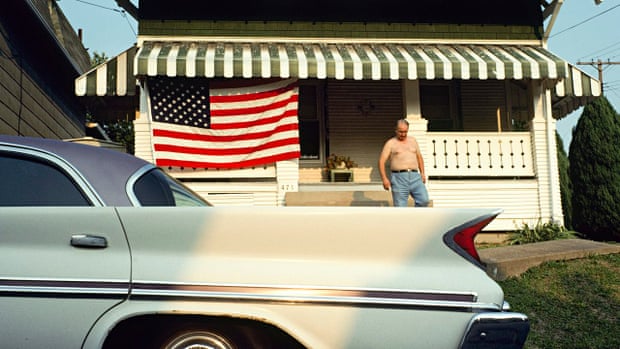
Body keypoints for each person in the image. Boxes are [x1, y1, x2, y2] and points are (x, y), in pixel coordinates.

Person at [378, 119, 430, 207]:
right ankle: (404, 220)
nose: (403, 134)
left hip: (415, 176)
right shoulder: (390, 143)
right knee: (400, 207)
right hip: (399, 178)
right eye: (401, 132)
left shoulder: (413, 140)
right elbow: (381, 161)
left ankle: (415, 218)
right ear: (396, 130)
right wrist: (384, 179)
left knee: (424, 200)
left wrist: (422, 173)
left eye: (405, 132)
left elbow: (419, 157)